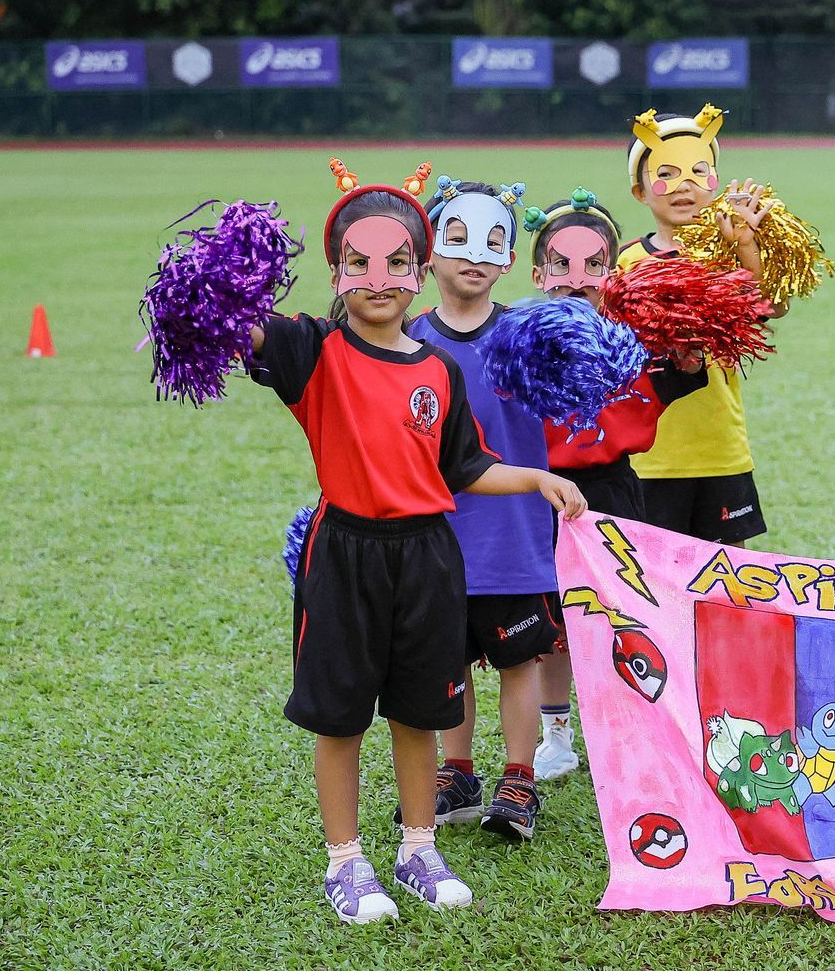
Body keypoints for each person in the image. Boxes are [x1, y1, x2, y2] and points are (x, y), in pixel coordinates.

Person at [249, 163, 586, 923]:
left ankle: (417, 849)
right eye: (359, 262)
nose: (379, 278)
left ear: (418, 264)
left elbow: (465, 465)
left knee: (418, 712)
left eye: (397, 261)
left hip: (430, 556)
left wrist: (536, 479)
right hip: (345, 555)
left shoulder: (438, 365)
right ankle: (345, 862)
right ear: (336, 270)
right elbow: (242, 329)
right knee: (340, 717)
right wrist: (226, 280)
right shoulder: (314, 350)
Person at [524, 188, 707, 778]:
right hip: (534, 494)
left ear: (612, 272)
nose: (577, 280)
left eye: (594, 266)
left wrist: (689, 338)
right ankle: (556, 734)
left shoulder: (627, 343)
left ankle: (630, 727)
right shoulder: (515, 341)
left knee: (621, 614)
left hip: (610, 493)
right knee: (549, 624)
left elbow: (681, 374)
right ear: (537, 272)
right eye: (561, 264)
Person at [402, 176, 563, 840]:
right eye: (457, 238)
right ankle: (458, 771)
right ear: (429, 253)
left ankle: (519, 778)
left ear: (506, 259)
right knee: (449, 663)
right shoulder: (404, 337)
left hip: (515, 533)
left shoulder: (528, 334)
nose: (473, 256)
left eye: (491, 242)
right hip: (433, 536)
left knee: (519, 660)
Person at [616, 105, 780, 547]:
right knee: (652, 581)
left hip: (719, 450)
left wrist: (747, 248)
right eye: (666, 174)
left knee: (725, 580)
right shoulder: (625, 263)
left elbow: (769, 309)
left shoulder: (729, 254)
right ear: (640, 191)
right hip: (648, 457)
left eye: (697, 171)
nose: (683, 185)